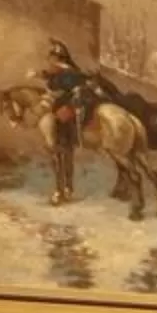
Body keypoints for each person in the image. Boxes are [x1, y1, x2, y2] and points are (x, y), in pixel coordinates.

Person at [40, 40, 93, 205]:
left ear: (60, 59)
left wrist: (67, 106)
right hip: (56, 112)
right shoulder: (57, 73)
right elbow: (51, 86)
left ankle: (65, 188)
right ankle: (61, 189)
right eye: (51, 58)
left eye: (54, 58)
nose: (51, 61)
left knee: (64, 153)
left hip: (66, 116)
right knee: (58, 154)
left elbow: (76, 93)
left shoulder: (70, 74)